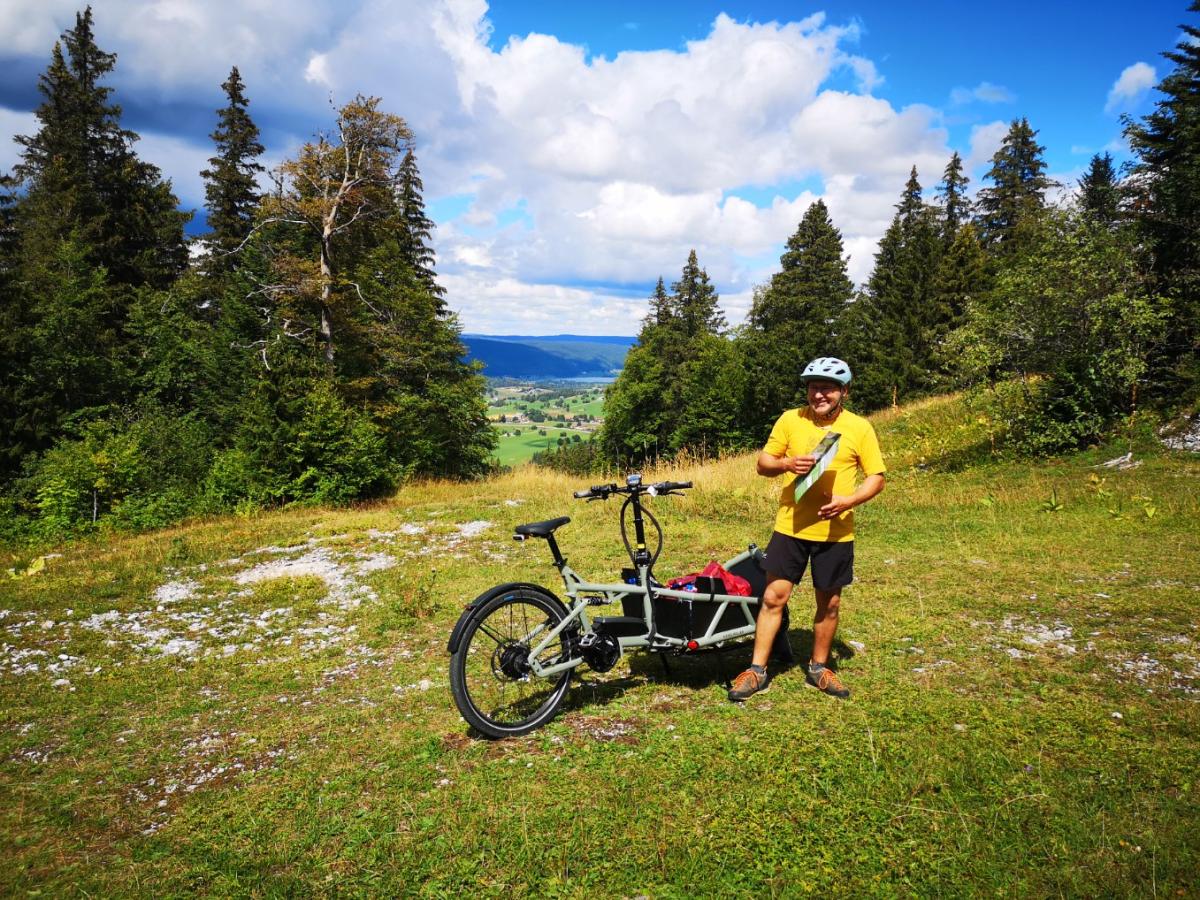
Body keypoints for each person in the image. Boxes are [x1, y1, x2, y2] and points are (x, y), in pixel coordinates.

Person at [729, 357, 885, 701]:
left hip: (835, 532)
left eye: (827, 388)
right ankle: (756, 671)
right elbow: (763, 464)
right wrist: (786, 463)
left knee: (829, 604)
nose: (819, 395)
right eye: (814, 387)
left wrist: (849, 501)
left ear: (843, 391)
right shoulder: (790, 419)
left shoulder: (859, 427)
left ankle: (819, 668)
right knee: (773, 598)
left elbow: (876, 477)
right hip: (790, 527)